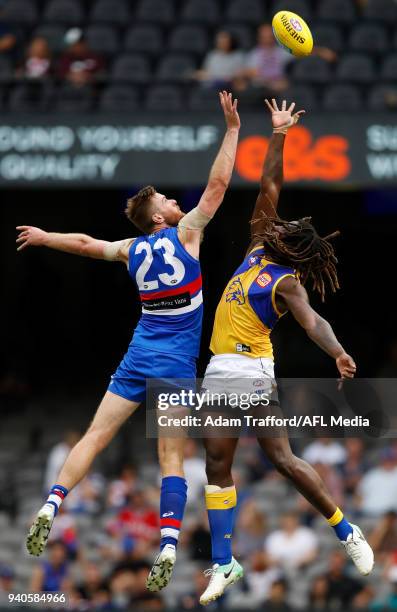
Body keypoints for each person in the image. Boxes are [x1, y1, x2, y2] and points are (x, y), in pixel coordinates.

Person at [17, 91, 241, 594]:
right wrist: (230, 131)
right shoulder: (187, 234)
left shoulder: (131, 250)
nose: (173, 200)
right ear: (161, 218)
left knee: (94, 438)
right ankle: (167, 542)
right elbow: (220, 183)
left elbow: (84, 244)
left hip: (137, 356)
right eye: (165, 199)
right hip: (174, 365)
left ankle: (52, 501)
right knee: (170, 460)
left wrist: (44, 235)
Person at [198, 98, 374, 605]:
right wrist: (280, 134)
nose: (274, 225)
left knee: (282, 460)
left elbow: (314, 321)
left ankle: (347, 531)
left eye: (282, 231)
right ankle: (224, 562)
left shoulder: (286, 280)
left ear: (290, 246)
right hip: (217, 370)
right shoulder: (256, 246)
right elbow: (269, 185)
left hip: (251, 371)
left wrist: (337, 352)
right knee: (215, 466)